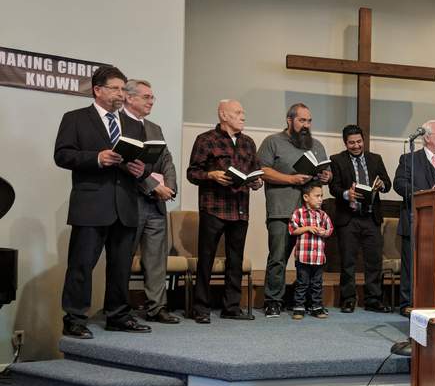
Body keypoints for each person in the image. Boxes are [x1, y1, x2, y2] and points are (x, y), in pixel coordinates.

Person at [54, 65, 151, 338]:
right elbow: (62, 155)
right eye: (115, 88)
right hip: (91, 204)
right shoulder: (75, 119)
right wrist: (97, 158)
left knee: (120, 267)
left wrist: (140, 169)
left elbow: (141, 163)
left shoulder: (133, 124)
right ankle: (74, 318)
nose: (121, 93)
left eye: (123, 88)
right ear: (98, 90)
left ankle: (118, 315)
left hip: (126, 204)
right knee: (81, 265)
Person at [186, 99, 263, 323]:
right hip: (214, 207)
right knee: (206, 259)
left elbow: (255, 171)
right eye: (238, 112)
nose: (243, 116)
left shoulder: (248, 142)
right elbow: (192, 173)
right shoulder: (206, 139)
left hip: (240, 209)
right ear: (223, 115)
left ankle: (231, 307)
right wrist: (211, 175)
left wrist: (257, 182)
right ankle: (200, 308)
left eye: (243, 112)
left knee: (235, 260)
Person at [257, 103, 332, 318]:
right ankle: (273, 301)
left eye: (309, 121)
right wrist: (291, 178)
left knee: (309, 260)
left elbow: (325, 173)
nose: (306, 125)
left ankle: (307, 302)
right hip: (281, 210)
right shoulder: (273, 141)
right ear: (289, 120)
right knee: (278, 257)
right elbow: (262, 170)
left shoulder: (316, 145)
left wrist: (327, 176)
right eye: (302, 120)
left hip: (311, 214)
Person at [122, 79, 180, 324]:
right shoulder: (117, 124)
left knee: (156, 259)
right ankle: (119, 309)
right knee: (122, 258)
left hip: (157, 205)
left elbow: (167, 159)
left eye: (152, 97)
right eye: (146, 97)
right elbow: (125, 165)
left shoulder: (154, 128)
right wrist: (154, 187)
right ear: (129, 97)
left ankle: (157, 308)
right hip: (129, 201)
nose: (151, 101)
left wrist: (169, 188)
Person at [393, 119, 435, 316]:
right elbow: (400, 184)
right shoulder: (409, 159)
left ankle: (433, 301)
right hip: (415, 221)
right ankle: (407, 303)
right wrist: (423, 195)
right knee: (410, 267)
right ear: (427, 137)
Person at [329, 124, 393, 314]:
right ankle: (348, 299)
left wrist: (381, 185)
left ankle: (373, 299)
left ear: (363, 140)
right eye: (351, 143)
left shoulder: (375, 159)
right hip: (349, 217)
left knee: (373, 261)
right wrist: (347, 193)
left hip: (371, 217)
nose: (356, 146)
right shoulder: (336, 160)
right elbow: (334, 187)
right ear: (345, 143)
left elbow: (387, 183)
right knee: (348, 261)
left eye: (358, 142)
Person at [288, 181, 333, 320]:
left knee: (317, 283)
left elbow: (330, 230)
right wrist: (307, 228)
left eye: (321, 196)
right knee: (302, 283)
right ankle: (299, 307)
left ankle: (317, 306)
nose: (320, 199)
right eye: (317, 196)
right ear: (306, 197)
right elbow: (293, 230)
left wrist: (322, 232)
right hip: (303, 257)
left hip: (319, 258)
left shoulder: (323, 215)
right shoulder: (299, 213)